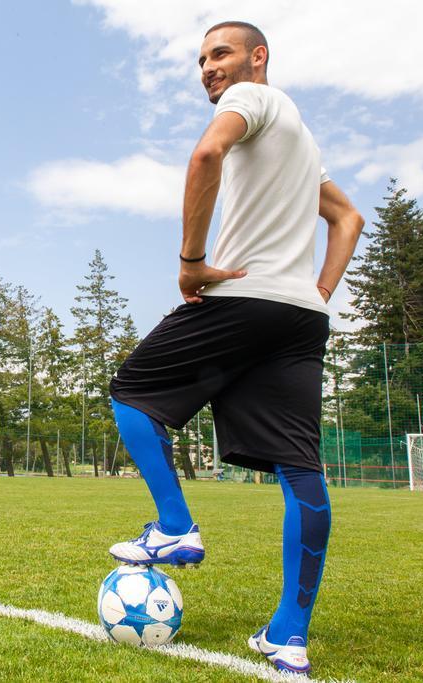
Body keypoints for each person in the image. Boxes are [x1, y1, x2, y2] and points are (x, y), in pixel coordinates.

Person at [106, 21, 364, 675]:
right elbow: (348, 217)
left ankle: (173, 524)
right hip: (299, 318)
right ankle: (288, 635)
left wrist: (191, 262)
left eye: (219, 54)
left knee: (133, 392)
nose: (208, 69)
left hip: (245, 297)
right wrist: (317, 291)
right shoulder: (300, 138)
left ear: (258, 57)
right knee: (301, 470)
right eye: (200, 60)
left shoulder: (249, 100)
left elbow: (204, 157)